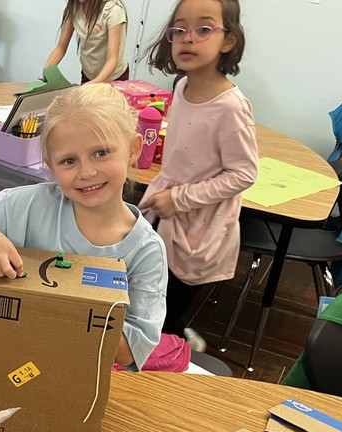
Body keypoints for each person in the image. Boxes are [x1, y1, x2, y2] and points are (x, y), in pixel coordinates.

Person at [0, 84, 166, 370]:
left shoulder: (145, 251)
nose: (87, 172)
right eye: (69, 161)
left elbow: (130, 350)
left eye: (101, 153)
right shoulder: (26, 206)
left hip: (75, 375)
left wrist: (63, 309)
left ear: (133, 149)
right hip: (1, 358)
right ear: (51, 167)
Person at [139, 0, 257, 352]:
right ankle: (167, 336)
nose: (188, 39)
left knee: (173, 295)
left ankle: (172, 345)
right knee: (151, 289)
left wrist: (180, 199)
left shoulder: (231, 107)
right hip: (166, 211)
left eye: (204, 29)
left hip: (198, 223)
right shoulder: (181, 87)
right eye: (179, 29)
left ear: (228, 40)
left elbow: (244, 173)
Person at [43, 0, 129, 84]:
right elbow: (61, 48)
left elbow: (112, 60)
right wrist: (47, 71)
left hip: (114, 78)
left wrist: (90, 85)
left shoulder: (113, 10)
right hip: (89, 75)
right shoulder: (73, 8)